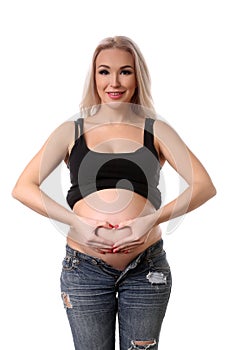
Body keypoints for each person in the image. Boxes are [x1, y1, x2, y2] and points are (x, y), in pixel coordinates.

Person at [12, 36, 216, 350]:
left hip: (146, 271)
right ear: (94, 77)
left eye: (125, 71)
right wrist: (76, 223)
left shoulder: (156, 129)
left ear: (138, 76)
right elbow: (22, 187)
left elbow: (203, 185)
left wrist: (149, 221)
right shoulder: (72, 130)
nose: (114, 82)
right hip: (84, 270)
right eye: (104, 72)